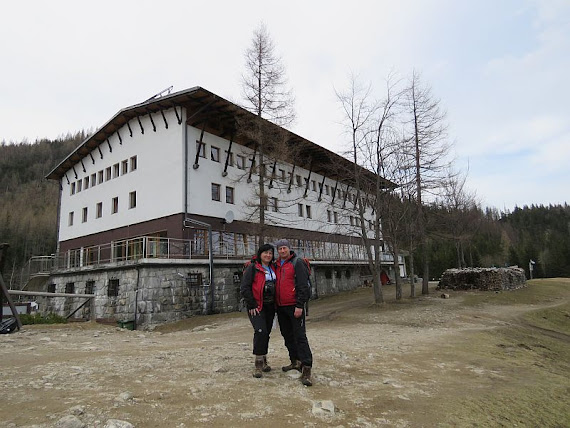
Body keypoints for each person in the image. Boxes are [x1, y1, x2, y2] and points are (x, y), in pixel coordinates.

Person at [274, 238, 314, 386]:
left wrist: (299, 305)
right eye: (280, 249)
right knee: (287, 336)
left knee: (300, 336)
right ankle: (295, 361)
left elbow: (303, 286)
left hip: (294, 306)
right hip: (281, 306)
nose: (282, 251)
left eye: (284, 248)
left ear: (289, 248)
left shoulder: (297, 263)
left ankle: (307, 368)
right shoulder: (276, 265)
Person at [240, 243, 277, 378]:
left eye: (270, 253)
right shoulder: (253, 268)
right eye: (265, 252)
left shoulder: (273, 268)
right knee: (260, 331)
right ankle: (258, 363)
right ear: (260, 254)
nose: (268, 255)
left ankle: (264, 357)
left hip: (270, 306)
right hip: (257, 306)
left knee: (266, 332)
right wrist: (252, 305)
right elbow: (245, 287)